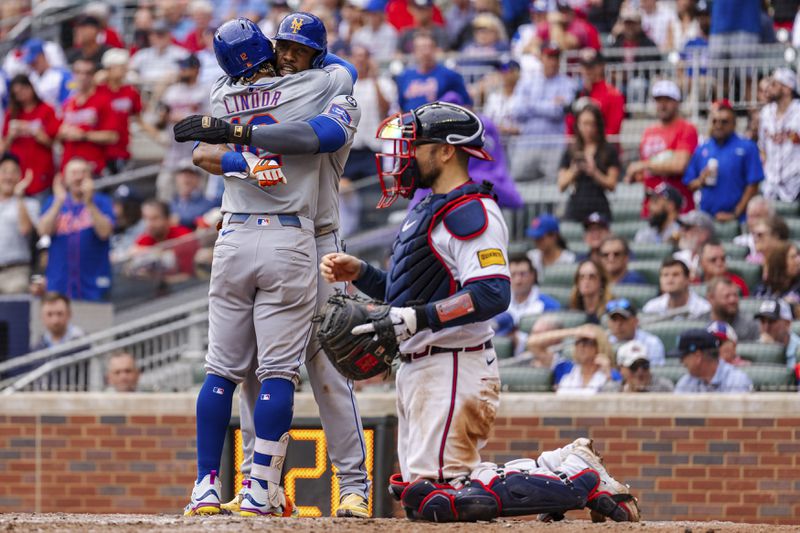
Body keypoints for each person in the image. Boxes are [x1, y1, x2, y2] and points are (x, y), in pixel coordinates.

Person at [319, 101, 638, 523]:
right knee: (429, 495)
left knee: (442, 498)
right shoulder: (427, 208)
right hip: (421, 367)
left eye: (415, 146)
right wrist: (363, 273)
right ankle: (566, 464)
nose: (405, 156)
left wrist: (414, 320)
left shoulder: (473, 211)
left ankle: (576, 477)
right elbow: (409, 297)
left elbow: (491, 293)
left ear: (447, 150)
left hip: (452, 363)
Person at [176, 17, 370, 518]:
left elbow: (315, 133)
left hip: (319, 242)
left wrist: (239, 143)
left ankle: (353, 485)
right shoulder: (312, 85)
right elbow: (205, 148)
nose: (288, 55)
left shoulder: (308, 91)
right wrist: (245, 159)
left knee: (327, 369)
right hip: (286, 234)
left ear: (317, 55)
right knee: (256, 374)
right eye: (282, 46)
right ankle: (263, 484)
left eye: (300, 49)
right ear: (268, 46)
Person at [408, 91, 522, 209]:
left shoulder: (483, 125)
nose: (412, 154)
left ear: (446, 151)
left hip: (473, 199)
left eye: (418, 146)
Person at [37, 158, 114, 302]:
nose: (79, 177)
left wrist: (89, 203)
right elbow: (43, 231)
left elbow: (104, 233)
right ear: (64, 179)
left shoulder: (102, 201)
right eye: (73, 173)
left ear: (90, 177)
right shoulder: (53, 202)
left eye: (83, 172)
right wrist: (58, 202)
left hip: (94, 282)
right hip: (59, 282)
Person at [507, 41, 576, 183]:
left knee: (554, 188)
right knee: (518, 183)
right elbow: (517, 110)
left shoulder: (568, 83)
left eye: (556, 58)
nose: (553, 61)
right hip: (527, 143)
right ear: (541, 58)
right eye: (549, 57)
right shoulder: (527, 81)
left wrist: (531, 105)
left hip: (554, 145)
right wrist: (549, 105)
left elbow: (559, 111)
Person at [683, 99, 763, 221]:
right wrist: (701, 180)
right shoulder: (703, 149)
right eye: (715, 121)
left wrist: (735, 214)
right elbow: (690, 184)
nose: (718, 125)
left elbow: (753, 185)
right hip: (707, 218)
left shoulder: (747, 147)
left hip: (738, 219)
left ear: (734, 123)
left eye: (724, 122)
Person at [626, 80, 698, 216]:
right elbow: (646, 171)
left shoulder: (687, 128)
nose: (662, 105)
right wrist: (635, 175)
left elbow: (678, 165)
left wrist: (643, 166)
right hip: (651, 207)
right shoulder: (649, 131)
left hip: (677, 207)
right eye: (659, 100)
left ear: (677, 102)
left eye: (668, 100)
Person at [155, 54, 210, 202]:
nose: (181, 71)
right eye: (181, 68)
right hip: (174, 152)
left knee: (199, 196)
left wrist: (183, 118)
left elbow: (210, 120)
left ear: (196, 70)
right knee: (164, 191)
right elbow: (160, 122)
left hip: (197, 151)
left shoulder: (205, 91)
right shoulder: (171, 91)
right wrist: (163, 116)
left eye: (185, 68)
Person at [97, 48, 160, 174]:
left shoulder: (130, 92)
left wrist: (156, 134)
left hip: (121, 148)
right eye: (120, 66)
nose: (124, 69)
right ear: (108, 69)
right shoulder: (98, 90)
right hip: (100, 149)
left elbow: (138, 118)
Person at [0, 74, 60, 196]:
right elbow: (3, 146)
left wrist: (35, 131)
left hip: (41, 171)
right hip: (17, 172)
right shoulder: (11, 113)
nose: (21, 95)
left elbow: (54, 143)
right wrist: (11, 135)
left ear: (31, 87)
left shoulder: (46, 109)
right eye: (17, 93)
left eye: (23, 89)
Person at [344, 45, 396, 182]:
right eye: (357, 56)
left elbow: (385, 109)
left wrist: (374, 79)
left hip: (373, 149)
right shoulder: (346, 85)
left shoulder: (384, 83)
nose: (360, 60)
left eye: (363, 56)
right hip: (350, 149)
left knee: (373, 192)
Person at [57, 59, 118, 176]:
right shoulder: (68, 103)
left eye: (87, 73)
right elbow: (58, 136)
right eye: (78, 72)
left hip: (92, 168)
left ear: (93, 75)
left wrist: (84, 135)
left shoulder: (103, 101)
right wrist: (62, 133)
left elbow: (113, 136)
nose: (82, 77)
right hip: (69, 168)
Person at [559, 104, 619, 221]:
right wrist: (574, 170)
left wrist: (594, 172)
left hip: (599, 204)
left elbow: (612, 184)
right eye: (585, 124)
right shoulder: (571, 150)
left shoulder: (608, 150)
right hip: (576, 205)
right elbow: (561, 185)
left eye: (592, 124)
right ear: (578, 125)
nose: (588, 129)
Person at [395, 33, 471, 111]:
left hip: (439, 120)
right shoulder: (405, 76)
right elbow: (401, 107)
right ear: (414, 52)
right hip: (411, 120)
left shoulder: (450, 75)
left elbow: (466, 105)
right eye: (421, 48)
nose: (425, 52)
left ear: (436, 49)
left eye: (429, 47)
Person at [758, 68, 800, 202]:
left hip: (796, 182)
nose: (769, 88)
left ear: (788, 88)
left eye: (775, 84)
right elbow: (762, 146)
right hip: (771, 184)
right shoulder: (766, 112)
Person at [131, 199, 198, 278]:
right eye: (146, 218)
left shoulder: (183, 235)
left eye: (155, 218)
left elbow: (188, 274)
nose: (149, 224)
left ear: (167, 219)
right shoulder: (143, 240)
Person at [0, 154, 38, 294]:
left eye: (13, 172)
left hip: (16, 271)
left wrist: (19, 196)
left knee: (14, 313)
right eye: (4, 171)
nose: (8, 177)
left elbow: (25, 229)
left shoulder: (30, 203)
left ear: (20, 176)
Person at [673, 329, 753, 393]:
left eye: (683, 357)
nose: (681, 362)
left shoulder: (736, 380)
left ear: (698, 356)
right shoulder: (687, 381)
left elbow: (735, 413)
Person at [567, 49, 624, 137]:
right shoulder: (577, 93)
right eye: (584, 66)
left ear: (601, 66)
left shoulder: (613, 94)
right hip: (581, 146)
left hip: (604, 147)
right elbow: (570, 125)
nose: (587, 70)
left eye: (591, 66)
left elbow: (613, 130)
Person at [556, 324, 616, 395]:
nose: (581, 346)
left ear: (599, 346)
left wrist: (608, 376)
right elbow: (539, 345)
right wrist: (573, 332)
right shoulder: (565, 368)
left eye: (586, 341)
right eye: (578, 341)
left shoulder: (610, 374)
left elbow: (614, 400)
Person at [643, 258, 711, 319]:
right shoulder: (651, 308)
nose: (670, 279)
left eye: (675, 275)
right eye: (665, 275)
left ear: (687, 279)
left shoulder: (703, 309)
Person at [605, 299, 666, 366]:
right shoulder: (604, 342)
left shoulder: (651, 343)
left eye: (623, 319)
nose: (618, 325)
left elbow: (654, 371)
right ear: (608, 323)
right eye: (614, 320)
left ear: (635, 321)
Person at [18, 38, 72, 113]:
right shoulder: (30, 79)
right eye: (29, 62)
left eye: (34, 61)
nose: (32, 65)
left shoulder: (61, 75)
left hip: (58, 118)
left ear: (42, 55)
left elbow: (70, 100)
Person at [129, 19, 190, 86]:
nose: (157, 37)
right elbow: (130, 70)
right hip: (145, 88)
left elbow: (189, 73)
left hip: (171, 89)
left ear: (169, 35)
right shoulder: (142, 54)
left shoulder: (181, 54)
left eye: (161, 34)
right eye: (153, 34)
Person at [701, 276, 760, 341]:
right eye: (727, 296)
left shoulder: (751, 326)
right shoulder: (699, 323)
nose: (732, 300)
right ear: (711, 298)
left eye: (735, 295)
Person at [602, 340, 674, 393]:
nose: (640, 371)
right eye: (633, 367)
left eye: (644, 365)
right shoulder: (611, 390)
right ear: (621, 369)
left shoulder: (663, 388)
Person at [507, 253, 560, 323]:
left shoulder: (549, 305)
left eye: (523, 274)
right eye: (513, 274)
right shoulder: (500, 303)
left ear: (533, 275)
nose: (518, 280)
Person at [524, 316, 573, 386]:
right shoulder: (523, 362)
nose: (533, 338)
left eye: (539, 335)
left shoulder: (565, 367)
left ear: (556, 338)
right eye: (533, 333)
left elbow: (531, 343)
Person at [755, 298, 799, 369]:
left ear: (787, 324)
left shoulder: (798, 351)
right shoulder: (756, 347)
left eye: (772, 321)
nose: (766, 327)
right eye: (762, 321)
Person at [170, 165, 216, 230]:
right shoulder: (171, 203)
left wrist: (180, 220)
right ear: (176, 178)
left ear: (198, 179)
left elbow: (200, 219)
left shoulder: (208, 203)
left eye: (191, 175)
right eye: (183, 174)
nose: (186, 178)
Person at [673, 210, 716, 280]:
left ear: (703, 234)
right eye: (681, 228)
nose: (682, 232)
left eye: (687, 228)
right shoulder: (678, 257)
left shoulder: (716, 259)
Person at [755, 242, 800, 308]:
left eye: (798, 256)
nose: (798, 260)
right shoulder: (763, 288)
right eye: (793, 257)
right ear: (780, 262)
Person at [569, 259, 611, 324]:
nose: (586, 281)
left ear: (602, 282)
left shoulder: (611, 309)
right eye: (582, 277)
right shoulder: (570, 309)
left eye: (592, 277)